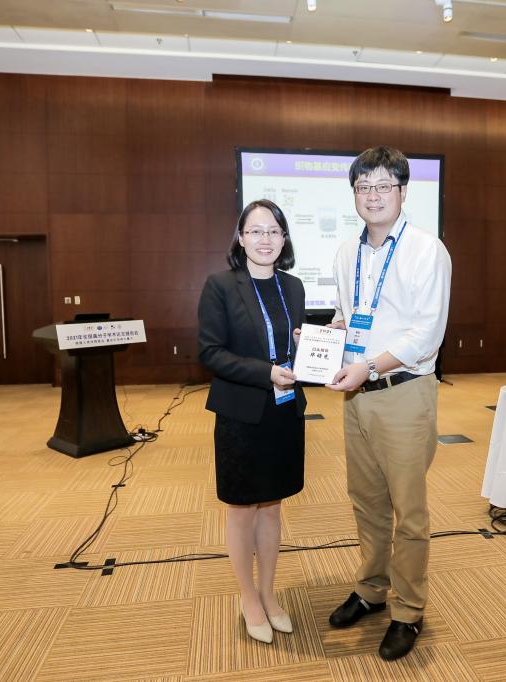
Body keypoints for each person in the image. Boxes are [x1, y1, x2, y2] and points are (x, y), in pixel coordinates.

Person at [326, 146, 451, 661]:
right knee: (367, 502)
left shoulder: (426, 250)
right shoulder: (346, 252)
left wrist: (370, 366)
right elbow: (350, 315)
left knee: (409, 511)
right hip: (356, 396)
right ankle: (372, 589)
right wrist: (324, 339)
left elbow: (426, 334)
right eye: (363, 187)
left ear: (402, 191)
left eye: (383, 186)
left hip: (403, 393)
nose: (372, 196)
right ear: (354, 194)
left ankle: (409, 610)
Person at [197, 199, 306, 644]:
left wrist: (303, 345)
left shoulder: (294, 287)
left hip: (284, 413)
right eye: (256, 231)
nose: (265, 239)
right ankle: (247, 597)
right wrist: (266, 372)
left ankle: (268, 593)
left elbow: (292, 347)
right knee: (242, 509)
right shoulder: (220, 286)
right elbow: (211, 352)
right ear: (241, 238)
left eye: (274, 231)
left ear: (284, 239)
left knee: (273, 506)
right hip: (241, 414)